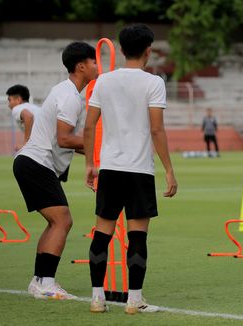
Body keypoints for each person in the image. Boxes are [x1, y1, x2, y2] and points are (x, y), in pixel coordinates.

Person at [84, 24, 178, 314]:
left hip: (110, 168)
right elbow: (157, 129)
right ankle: (134, 299)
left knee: (102, 234)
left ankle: (98, 298)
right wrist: (169, 170)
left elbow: (89, 126)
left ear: (121, 50)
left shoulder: (103, 81)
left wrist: (90, 163)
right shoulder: (153, 83)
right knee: (138, 236)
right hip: (139, 171)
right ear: (148, 50)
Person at [13, 42, 98, 299]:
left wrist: (97, 152)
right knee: (62, 220)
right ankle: (46, 283)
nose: (97, 66)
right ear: (81, 66)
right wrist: (99, 143)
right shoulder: (70, 96)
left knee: (56, 222)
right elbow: (64, 139)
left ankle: (39, 281)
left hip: (33, 164)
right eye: (94, 61)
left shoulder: (66, 92)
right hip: (36, 163)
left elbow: (69, 142)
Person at [6, 84, 40, 150]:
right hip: (52, 143)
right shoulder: (34, 108)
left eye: (10, 100)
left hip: (45, 145)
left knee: (20, 159)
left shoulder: (17, 108)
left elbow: (29, 116)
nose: (8, 104)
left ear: (18, 100)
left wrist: (26, 143)